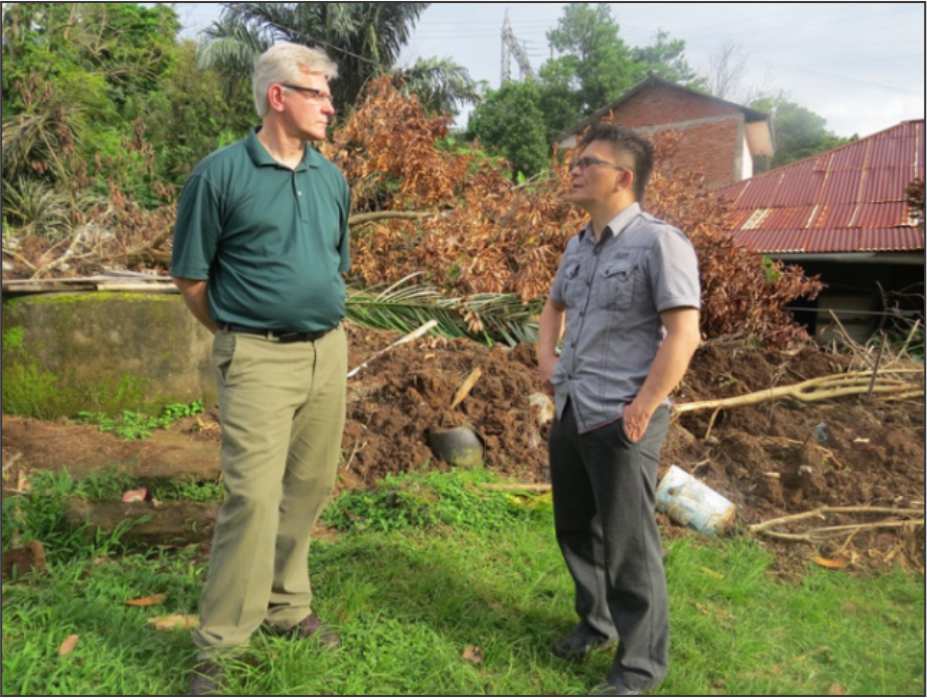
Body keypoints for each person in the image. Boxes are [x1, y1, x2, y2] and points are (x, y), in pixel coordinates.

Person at [170, 42, 351, 696]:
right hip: (256, 355)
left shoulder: (331, 178)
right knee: (250, 496)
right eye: (318, 93)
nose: (331, 105)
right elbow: (192, 277)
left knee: (307, 488)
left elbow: (335, 265)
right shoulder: (219, 175)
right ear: (279, 97)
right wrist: (240, 337)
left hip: (327, 353)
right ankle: (220, 643)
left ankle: (286, 605)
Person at [536, 123, 701, 696]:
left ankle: (638, 668)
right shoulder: (579, 243)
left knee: (630, 544)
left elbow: (683, 334)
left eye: (589, 163)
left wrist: (645, 405)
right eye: (576, 161)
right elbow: (552, 305)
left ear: (623, 178)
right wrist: (545, 359)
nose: (575, 169)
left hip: (623, 415)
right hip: (574, 407)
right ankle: (596, 623)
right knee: (576, 526)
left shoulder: (661, 242)